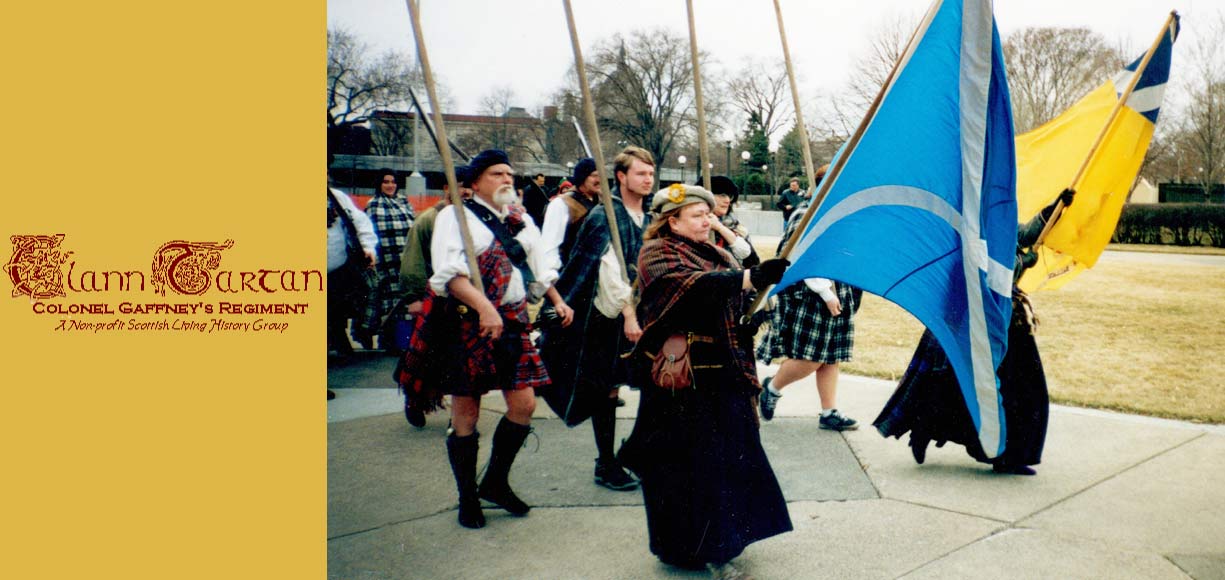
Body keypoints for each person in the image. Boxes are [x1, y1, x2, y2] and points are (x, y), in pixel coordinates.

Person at [618, 183, 792, 578]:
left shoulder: (716, 251)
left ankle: (721, 543)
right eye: (697, 215)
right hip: (680, 382)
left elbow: (734, 297)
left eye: (708, 214)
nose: (707, 221)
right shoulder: (657, 253)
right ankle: (687, 548)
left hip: (723, 372)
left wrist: (753, 305)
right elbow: (690, 289)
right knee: (687, 465)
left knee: (728, 461)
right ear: (671, 220)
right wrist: (746, 279)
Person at [398, 149, 564, 529]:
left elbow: (536, 269)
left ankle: (495, 482)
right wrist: (485, 308)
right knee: (467, 412)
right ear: (473, 183)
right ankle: (466, 497)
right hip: (467, 324)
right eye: (496, 174)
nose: (507, 179)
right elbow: (449, 276)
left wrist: (552, 297)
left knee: (523, 405)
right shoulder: (454, 218)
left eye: (509, 173)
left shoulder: (520, 221)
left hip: (512, 322)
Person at [873, 188, 1076, 476]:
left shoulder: (998, 221)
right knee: (950, 386)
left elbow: (1026, 234)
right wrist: (1021, 263)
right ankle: (924, 429)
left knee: (1021, 389)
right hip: (970, 319)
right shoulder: (966, 229)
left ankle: (1010, 455)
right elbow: (984, 272)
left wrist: (1056, 207)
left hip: (1006, 319)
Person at [540, 146, 655, 492]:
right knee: (606, 388)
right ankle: (606, 463)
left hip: (643, 315)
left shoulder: (649, 218)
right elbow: (608, 271)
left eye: (651, 174)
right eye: (640, 174)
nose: (647, 180)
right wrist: (629, 314)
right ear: (621, 177)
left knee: (651, 384)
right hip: (608, 315)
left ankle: (634, 452)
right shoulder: (604, 216)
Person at [757, 167, 860, 431]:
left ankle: (829, 411)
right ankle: (772, 388)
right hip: (812, 293)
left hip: (837, 288)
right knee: (811, 356)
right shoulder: (806, 213)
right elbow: (798, 257)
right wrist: (825, 292)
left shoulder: (837, 211)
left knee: (830, 356)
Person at [396, 167, 468, 428]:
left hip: (466, 302)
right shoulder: (428, 219)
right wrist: (414, 297)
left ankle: (458, 416)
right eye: (459, 185)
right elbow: (413, 259)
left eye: (468, 185)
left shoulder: (476, 218)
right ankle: (413, 399)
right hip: (433, 300)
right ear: (447, 189)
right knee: (423, 359)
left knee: (461, 361)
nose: (465, 190)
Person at [359, 169, 415, 354]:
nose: (390, 185)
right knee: (388, 306)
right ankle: (388, 342)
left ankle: (402, 343)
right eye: (386, 182)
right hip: (385, 264)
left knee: (404, 305)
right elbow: (369, 234)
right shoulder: (373, 205)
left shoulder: (404, 203)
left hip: (405, 263)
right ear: (379, 184)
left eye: (393, 181)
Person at [327, 182, 377, 364]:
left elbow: (360, 222)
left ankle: (340, 345)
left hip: (336, 271)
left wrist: (367, 247)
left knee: (337, 312)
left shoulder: (337, 198)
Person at [540, 158, 601, 272]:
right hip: (569, 271)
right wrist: (553, 277)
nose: (599, 180)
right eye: (594, 175)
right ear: (582, 178)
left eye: (600, 175)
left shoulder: (600, 202)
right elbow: (550, 245)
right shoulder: (561, 204)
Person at [703, 175, 759, 267]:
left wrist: (719, 227)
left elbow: (750, 259)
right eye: (722, 195)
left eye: (730, 196)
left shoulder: (735, 227)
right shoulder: (693, 225)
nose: (727, 200)